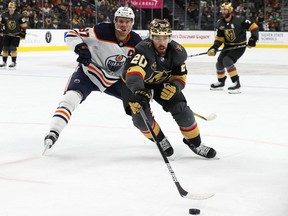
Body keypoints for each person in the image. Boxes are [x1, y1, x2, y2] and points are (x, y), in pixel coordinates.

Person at [43, 7, 142, 153]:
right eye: (121, 21)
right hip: (89, 73)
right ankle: (53, 132)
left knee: (139, 103)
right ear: (115, 22)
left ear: (132, 23)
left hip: (115, 80)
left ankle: (156, 136)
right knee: (70, 97)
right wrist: (80, 47)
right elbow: (70, 34)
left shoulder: (136, 42)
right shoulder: (101, 31)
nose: (124, 25)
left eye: (127, 22)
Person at [121, 19, 216, 159]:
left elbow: (180, 76)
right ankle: (160, 140)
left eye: (165, 37)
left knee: (183, 111)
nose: (162, 42)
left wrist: (175, 86)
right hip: (136, 86)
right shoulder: (143, 49)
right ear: (151, 37)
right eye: (158, 37)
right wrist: (138, 90)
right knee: (140, 120)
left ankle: (195, 143)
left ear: (170, 37)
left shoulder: (177, 52)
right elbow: (134, 73)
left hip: (161, 83)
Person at [207, 2, 259, 94]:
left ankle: (236, 84)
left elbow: (254, 27)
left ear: (230, 10)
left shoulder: (240, 20)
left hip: (239, 46)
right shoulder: (220, 23)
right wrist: (214, 48)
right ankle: (221, 82)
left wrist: (253, 39)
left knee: (227, 61)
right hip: (227, 46)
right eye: (222, 9)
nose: (223, 11)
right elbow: (219, 38)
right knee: (219, 63)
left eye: (225, 9)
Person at [0, 2, 27, 69]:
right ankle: (4, 62)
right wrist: (1, 31)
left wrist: (22, 34)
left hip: (16, 35)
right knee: (5, 48)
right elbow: (1, 24)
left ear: (15, 8)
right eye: (10, 7)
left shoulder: (19, 16)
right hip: (7, 34)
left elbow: (24, 26)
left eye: (12, 7)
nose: (11, 9)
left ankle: (13, 62)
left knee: (13, 48)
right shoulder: (4, 15)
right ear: (8, 8)